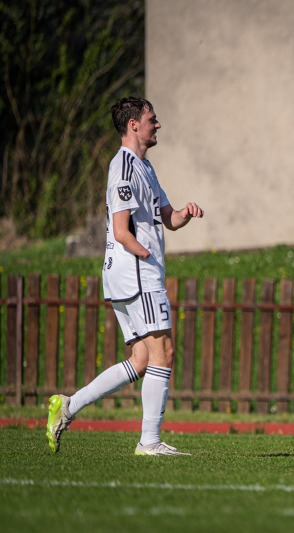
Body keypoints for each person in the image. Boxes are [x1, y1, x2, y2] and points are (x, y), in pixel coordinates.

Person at [46, 96, 204, 456]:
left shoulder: (145, 167)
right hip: (137, 274)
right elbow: (121, 231)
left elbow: (168, 218)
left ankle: (67, 406)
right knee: (164, 351)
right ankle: (149, 442)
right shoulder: (124, 168)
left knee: (141, 360)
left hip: (127, 274)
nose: (157, 125)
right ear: (133, 125)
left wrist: (185, 213)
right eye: (152, 119)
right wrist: (146, 257)